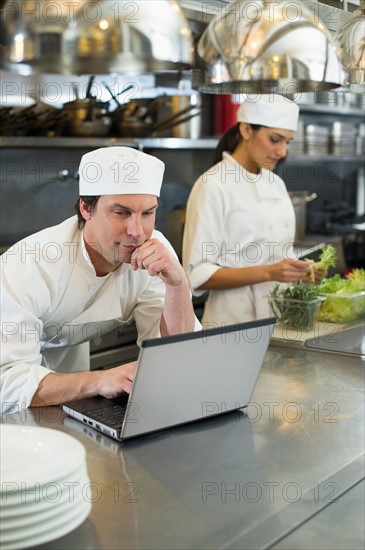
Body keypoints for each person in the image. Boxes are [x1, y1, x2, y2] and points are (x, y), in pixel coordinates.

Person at [1, 146, 200, 410]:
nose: (136, 232)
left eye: (148, 213)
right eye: (121, 212)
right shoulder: (29, 265)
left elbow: (178, 355)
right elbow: (7, 381)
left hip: (73, 399)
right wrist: (99, 381)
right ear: (86, 208)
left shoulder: (154, 253)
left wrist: (177, 285)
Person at [183, 94, 323, 326]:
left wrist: (299, 271)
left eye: (287, 142)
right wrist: (269, 272)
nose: (282, 152)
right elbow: (197, 274)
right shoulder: (213, 184)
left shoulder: (276, 184)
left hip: (281, 318)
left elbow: (278, 254)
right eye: (275, 139)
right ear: (247, 130)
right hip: (232, 324)